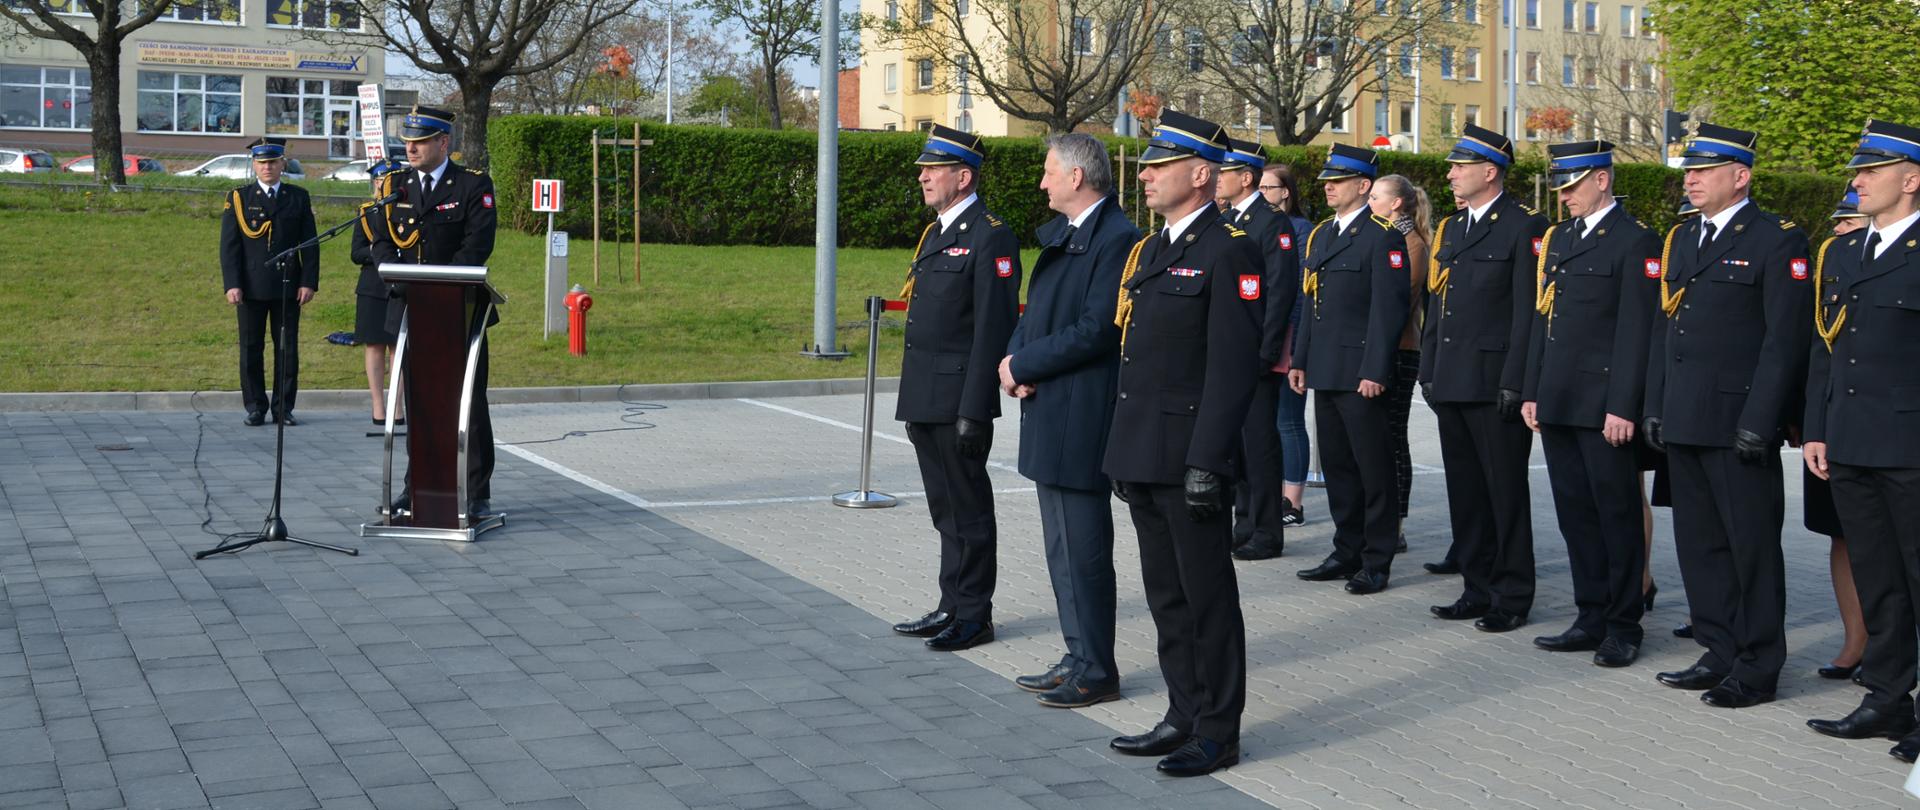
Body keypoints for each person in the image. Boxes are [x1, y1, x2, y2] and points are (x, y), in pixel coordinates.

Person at [1103, 110, 1261, 778]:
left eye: (1159, 166)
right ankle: (1182, 712)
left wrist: (1208, 461)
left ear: (1199, 174)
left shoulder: (1229, 250)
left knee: (1207, 598)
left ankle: (1218, 731)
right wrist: (1121, 450)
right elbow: (1136, 359)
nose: (1145, 176)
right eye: (1146, 166)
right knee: (1166, 597)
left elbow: (1233, 367)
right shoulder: (1152, 249)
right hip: (1144, 449)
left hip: (1190, 456)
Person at [1644, 123, 1811, 709]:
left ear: (1740, 177)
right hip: (1686, 416)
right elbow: (1666, 329)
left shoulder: (1776, 239)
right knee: (1700, 545)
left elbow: (1784, 341)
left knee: (1751, 549)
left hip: (1739, 421)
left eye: (1703, 171)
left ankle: (1759, 666)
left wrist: (1762, 419)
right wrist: (1655, 405)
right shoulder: (1683, 237)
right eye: (1688, 172)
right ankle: (1718, 649)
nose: (1690, 181)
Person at [999, 132, 1138, 707]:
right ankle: (1078, 654)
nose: (1042, 183)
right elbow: (1037, 314)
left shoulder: (1117, 239)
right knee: (1061, 549)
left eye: (1049, 172)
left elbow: (1097, 329)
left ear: (1076, 177)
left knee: (1084, 548)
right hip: (1052, 406)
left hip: (1082, 413)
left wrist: (1024, 363)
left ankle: (1098, 668)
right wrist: (1014, 361)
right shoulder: (1070, 233)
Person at [1804, 120, 1920, 758]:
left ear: (1912, 179)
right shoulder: (1846, 252)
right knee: (1877, 579)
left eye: (1872, 171)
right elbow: (1826, 347)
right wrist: (1818, 429)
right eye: (1858, 171)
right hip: (1850, 440)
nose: (1858, 181)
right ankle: (1887, 698)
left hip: (1910, 443)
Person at [1520, 140, 1661, 668]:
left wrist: (1623, 405)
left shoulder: (1635, 240)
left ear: (1602, 179)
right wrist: (1533, 389)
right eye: (1560, 188)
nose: (1564, 197)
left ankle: (1624, 624)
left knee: (1616, 517)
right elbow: (1544, 319)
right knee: (1575, 516)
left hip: (1603, 405)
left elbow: (1636, 332)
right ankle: (1590, 614)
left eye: (1573, 186)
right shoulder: (1560, 239)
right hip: (1559, 397)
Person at [888, 124, 1022, 653]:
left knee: (969, 510)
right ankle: (950, 604)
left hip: (959, 400)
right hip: (926, 396)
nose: (923, 177)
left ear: (963, 177)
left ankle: (974, 614)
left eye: (933, 169)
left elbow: (993, 326)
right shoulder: (938, 232)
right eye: (923, 170)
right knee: (944, 509)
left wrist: (975, 409)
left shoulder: (990, 235)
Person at [1420, 125, 1548, 632]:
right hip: (1453, 378)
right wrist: (1429, 369)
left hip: (1495, 382)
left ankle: (1512, 595)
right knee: (1466, 493)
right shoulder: (1452, 228)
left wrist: (1516, 382)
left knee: (1504, 494)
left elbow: (1528, 313)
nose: (1451, 174)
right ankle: (1476, 587)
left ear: (1490, 171)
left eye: (1460, 166)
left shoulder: (1523, 225)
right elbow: (1438, 305)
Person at [1290, 144, 1412, 595]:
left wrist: (1375, 369)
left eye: (1338, 181)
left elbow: (1389, 309)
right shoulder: (1324, 234)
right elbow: (1312, 301)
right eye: (1327, 180)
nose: (1328, 187)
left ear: (1363, 186)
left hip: (1361, 372)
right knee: (1339, 467)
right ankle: (1346, 550)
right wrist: (1301, 358)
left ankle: (1376, 559)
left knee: (1373, 469)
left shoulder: (1383, 236)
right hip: (1326, 366)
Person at [376, 105, 500, 520]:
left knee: (468, 402)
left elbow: (477, 244)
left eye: (421, 141)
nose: (411, 148)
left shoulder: (471, 185)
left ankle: (475, 491)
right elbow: (380, 239)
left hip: (459, 310)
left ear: (443, 143)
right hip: (410, 309)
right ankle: (417, 486)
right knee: (419, 403)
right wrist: (397, 279)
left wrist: (439, 285)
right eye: (408, 141)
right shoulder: (395, 186)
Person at [1216, 138, 1300, 562]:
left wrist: (1266, 353)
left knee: (1260, 445)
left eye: (1224, 172)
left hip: (1255, 354)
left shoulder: (1271, 223)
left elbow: (1280, 293)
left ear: (1245, 177)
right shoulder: (1228, 219)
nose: (1216, 178)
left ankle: (1267, 531)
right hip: (1229, 351)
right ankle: (1244, 523)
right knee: (1236, 445)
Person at [1805, 189, 1869, 684]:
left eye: (1851, 221)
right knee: (1841, 536)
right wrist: (1810, 426)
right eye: (1839, 222)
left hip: (1894, 428)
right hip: (1837, 423)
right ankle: (1856, 641)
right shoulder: (1834, 262)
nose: (1840, 229)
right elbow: (1818, 349)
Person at [220, 137, 317, 427]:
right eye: (262, 162)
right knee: (251, 348)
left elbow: (310, 244)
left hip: (288, 285)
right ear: (254, 165)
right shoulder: (239, 198)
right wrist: (232, 284)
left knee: (287, 347)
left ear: (282, 164)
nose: (267, 168)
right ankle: (255, 406)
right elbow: (229, 247)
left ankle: (283, 407)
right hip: (250, 285)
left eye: (273, 162)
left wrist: (308, 282)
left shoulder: (298, 197)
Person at [1366, 173, 1432, 558]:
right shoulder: (1377, 237)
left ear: (1395, 204)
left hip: (1401, 349)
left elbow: (1398, 299)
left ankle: (1397, 523)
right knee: (1376, 438)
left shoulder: (1412, 243)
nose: (1369, 202)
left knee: (1393, 437)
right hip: (1377, 348)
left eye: (1376, 197)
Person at [1258, 164, 1313, 528]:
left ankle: (1293, 501)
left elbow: (1299, 289)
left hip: (1290, 331)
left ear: (1285, 192)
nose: (1262, 193)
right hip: (1265, 331)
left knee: (1289, 420)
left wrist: (1292, 340)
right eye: (1260, 187)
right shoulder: (1260, 224)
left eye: (1268, 187)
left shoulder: (1300, 229)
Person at [351, 157, 410, 429]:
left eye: (390, 180)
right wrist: (379, 251)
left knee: (399, 346)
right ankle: (377, 405)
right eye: (380, 180)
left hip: (400, 286)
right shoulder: (366, 212)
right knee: (374, 345)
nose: (384, 185)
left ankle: (397, 406)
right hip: (372, 286)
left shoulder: (408, 210)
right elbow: (356, 253)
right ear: (374, 184)